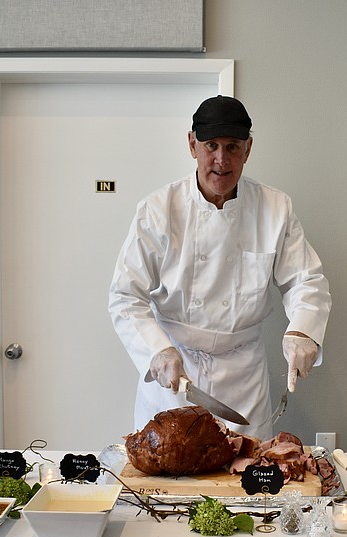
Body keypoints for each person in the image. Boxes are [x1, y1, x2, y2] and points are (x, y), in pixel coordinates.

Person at [108, 95, 331, 439]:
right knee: (168, 466)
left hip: (243, 379)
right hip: (174, 375)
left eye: (232, 147)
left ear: (248, 149)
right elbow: (125, 295)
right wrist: (157, 350)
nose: (221, 160)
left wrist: (302, 331)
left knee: (247, 468)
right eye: (211, 145)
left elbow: (305, 280)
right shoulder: (158, 210)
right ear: (192, 145)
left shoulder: (275, 208)